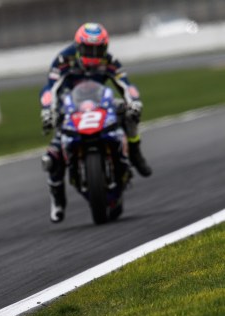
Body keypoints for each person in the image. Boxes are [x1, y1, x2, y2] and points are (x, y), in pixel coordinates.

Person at [39, 22, 152, 223]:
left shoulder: (110, 60)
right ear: (78, 46)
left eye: (98, 49)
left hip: (101, 103)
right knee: (52, 156)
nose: (93, 54)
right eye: (88, 49)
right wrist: (48, 111)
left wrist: (134, 101)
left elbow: (126, 85)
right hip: (71, 105)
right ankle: (58, 200)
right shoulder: (63, 60)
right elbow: (49, 89)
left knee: (129, 114)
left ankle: (135, 151)